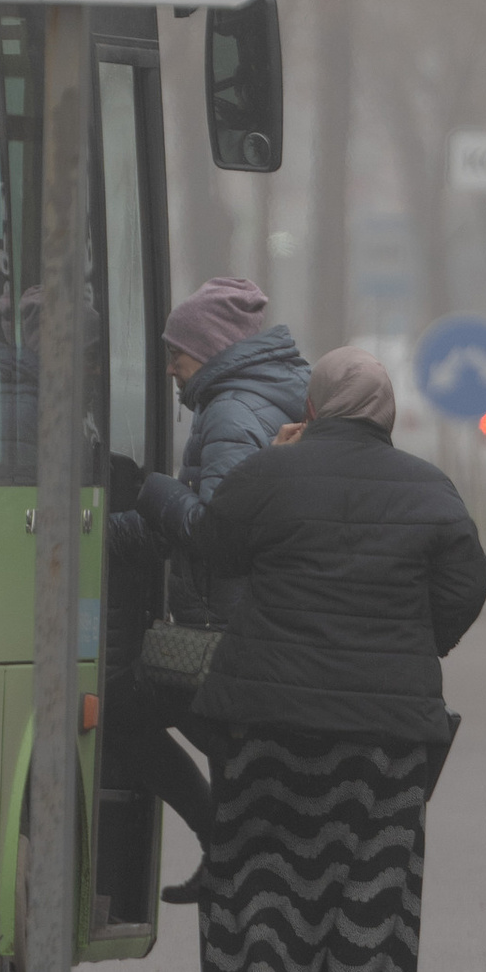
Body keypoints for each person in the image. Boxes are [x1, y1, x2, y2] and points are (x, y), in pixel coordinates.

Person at [166, 343, 486, 972]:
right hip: (386, 730)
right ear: (390, 413)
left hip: (268, 719)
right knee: (373, 869)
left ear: (312, 407)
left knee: (256, 862)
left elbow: (215, 548)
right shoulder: (431, 489)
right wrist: (416, 640)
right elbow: (465, 586)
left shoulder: (271, 474)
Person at [106, 278, 311, 877]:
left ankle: (221, 842)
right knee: (240, 765)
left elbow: (219, 535)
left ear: (214, 348)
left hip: (227, 631)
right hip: (259, 625)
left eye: (177, 352)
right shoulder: (276, 392)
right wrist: (122, 525)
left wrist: (149, 490)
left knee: (121, 711)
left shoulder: (229, 410)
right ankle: (236, 855)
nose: (169, 367)